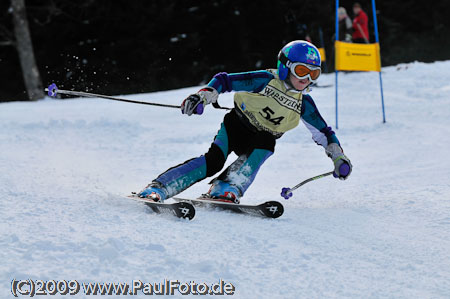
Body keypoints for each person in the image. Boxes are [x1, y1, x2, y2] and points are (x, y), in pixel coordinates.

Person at [138, 40, 352, 203]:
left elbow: (324, 133)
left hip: (260, 138)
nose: (307, 79)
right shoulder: (266, 80)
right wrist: (203, 96)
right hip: (236, 126)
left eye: (313, 73)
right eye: (301, 71)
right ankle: (159, 188)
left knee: (266, 143)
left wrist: (338, 157)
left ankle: (226, 187)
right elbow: (225, 80)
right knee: (214, 161)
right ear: (286, 67)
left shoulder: (304, 103)